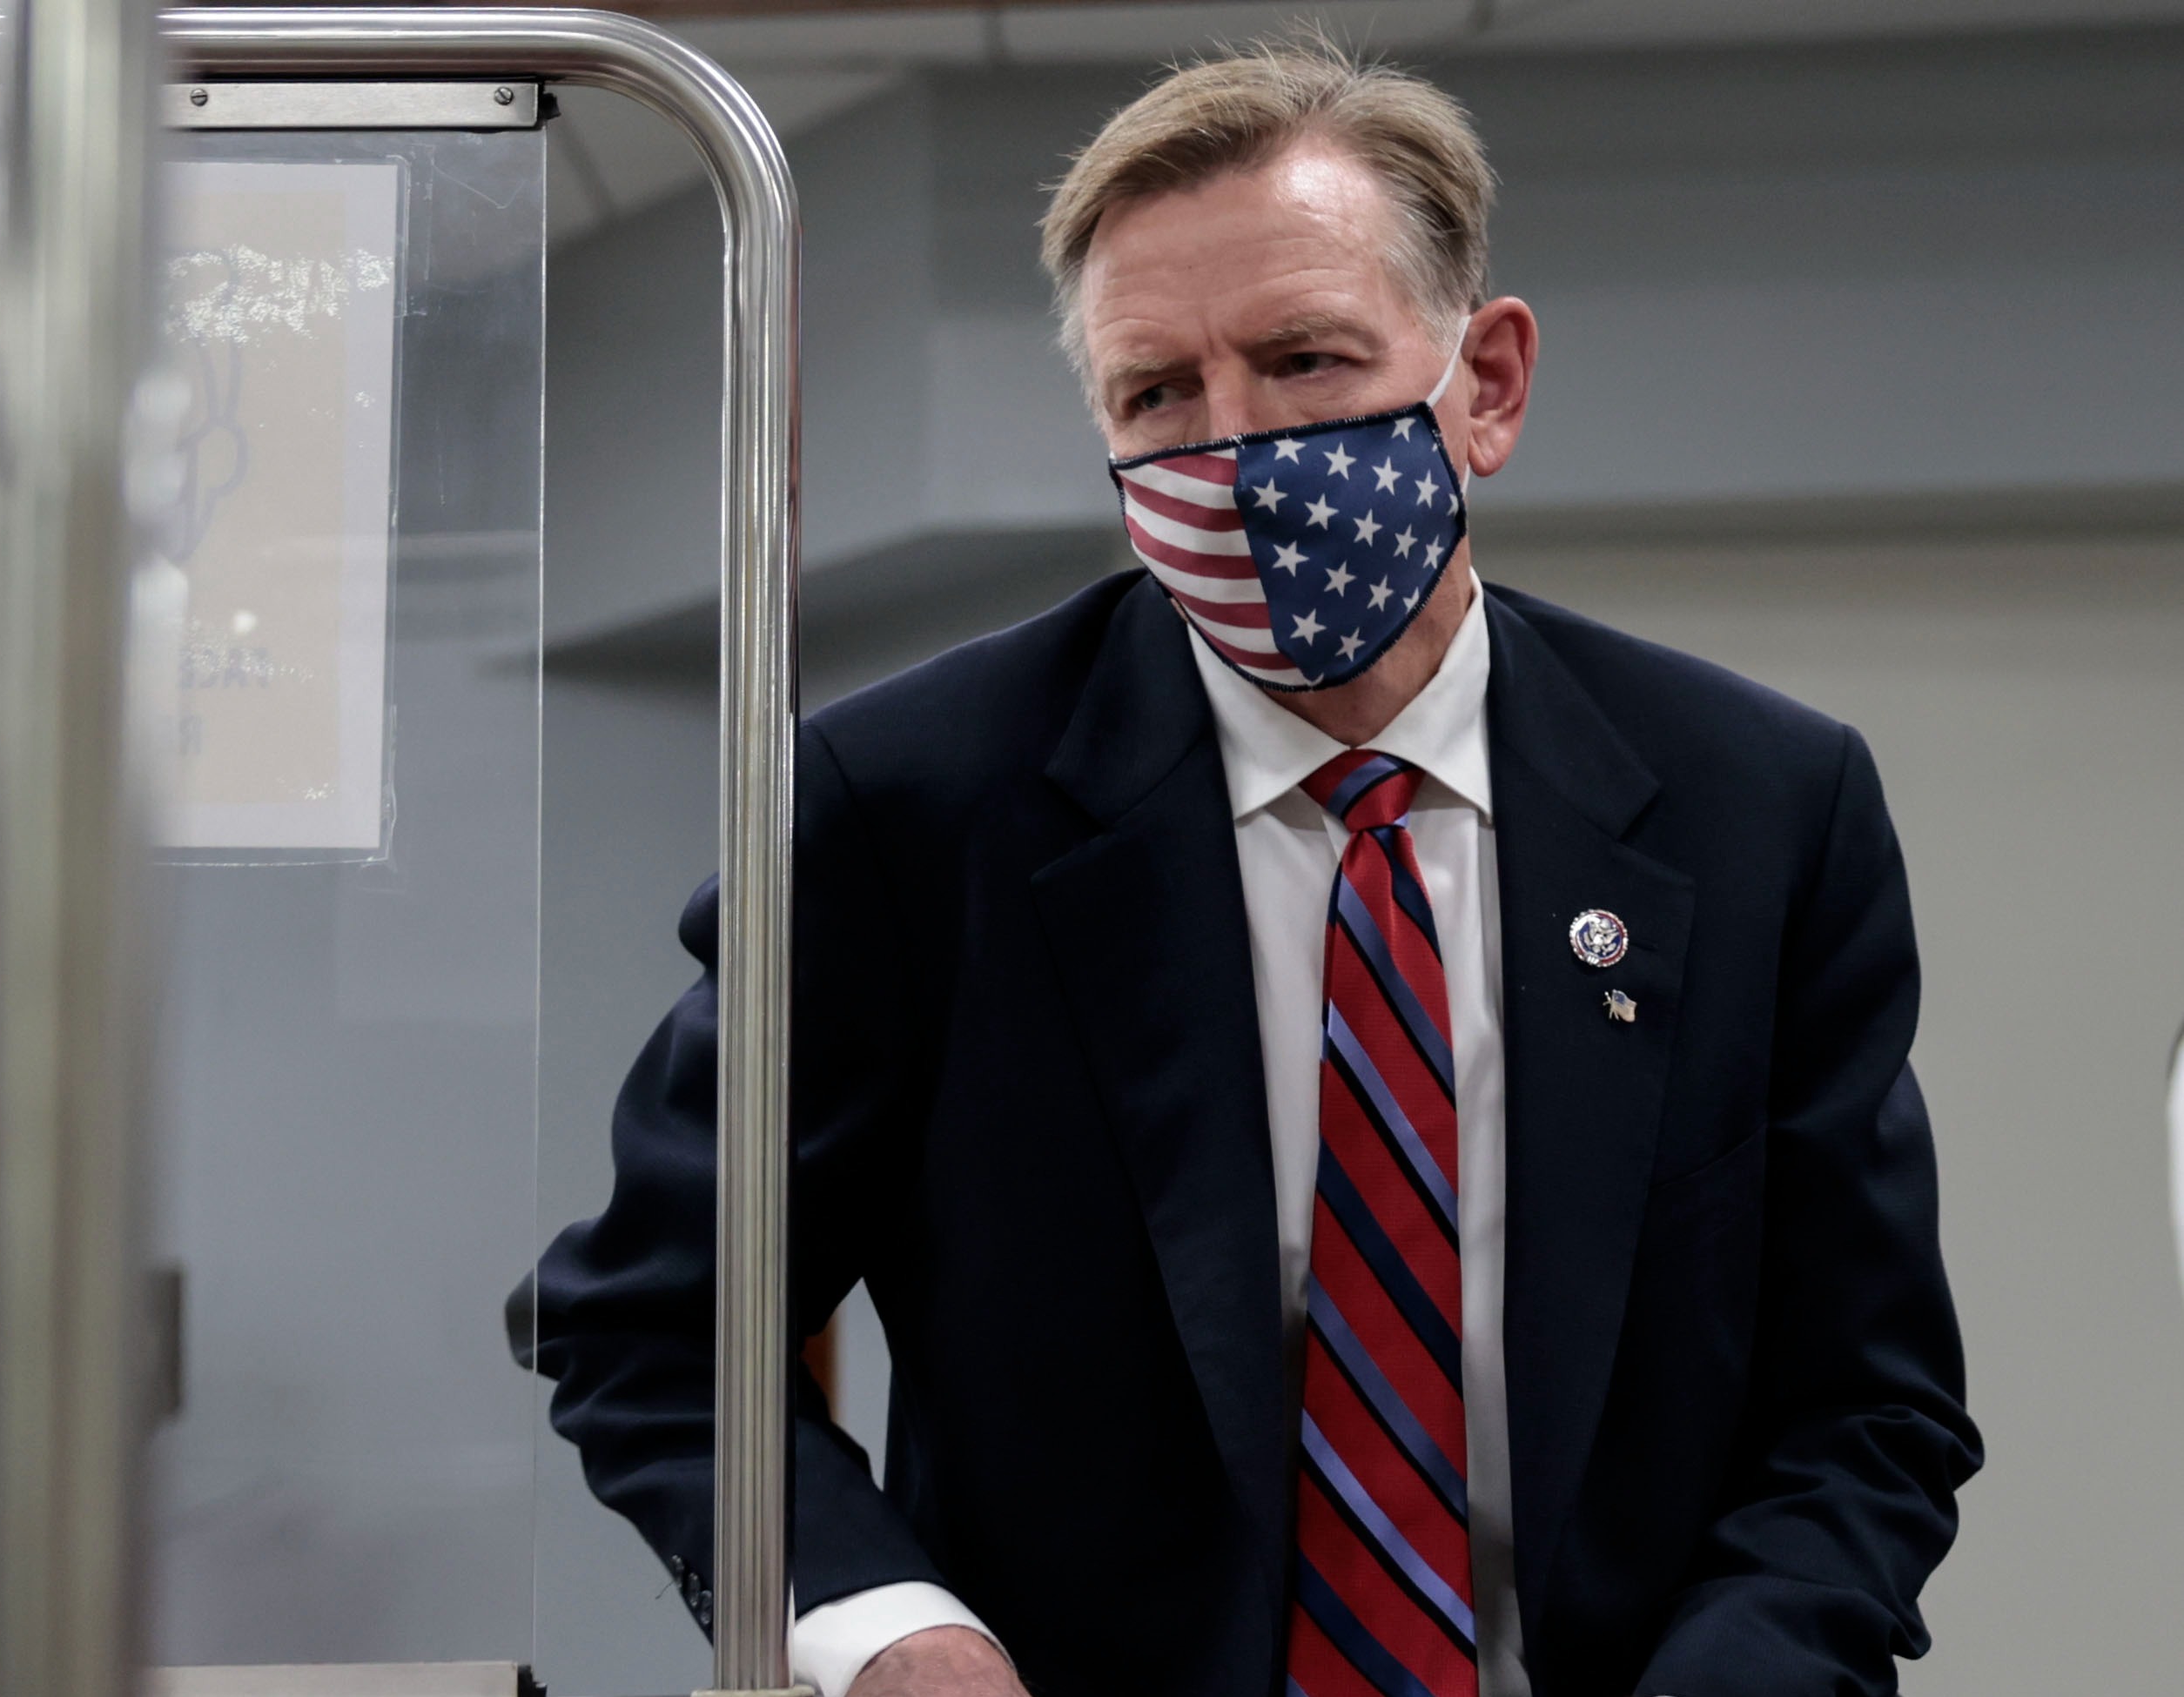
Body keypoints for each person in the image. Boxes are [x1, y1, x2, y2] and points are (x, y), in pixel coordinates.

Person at [524, 36, 1978, 1697]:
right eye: (1158, 393)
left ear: (1484, 384)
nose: (1236, 448)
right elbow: (650, 1322)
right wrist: (883, 1632)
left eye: (1304, 360)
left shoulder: (1760, 809)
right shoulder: (912, 808)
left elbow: (1866, 1406)